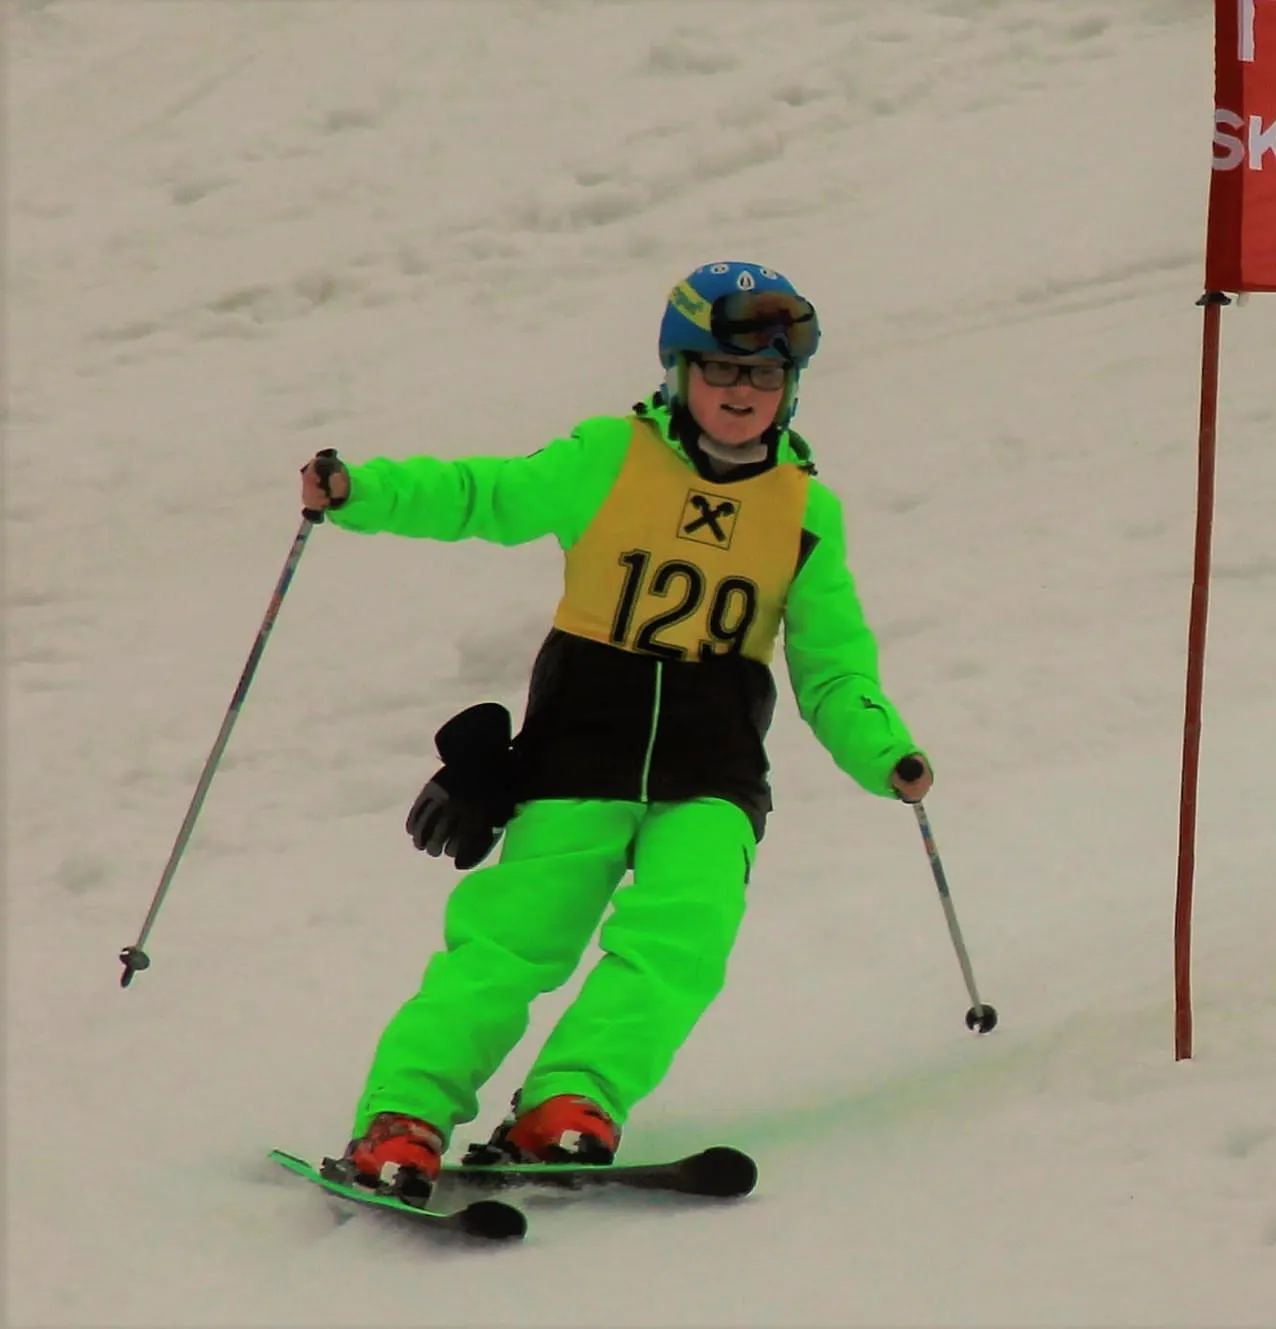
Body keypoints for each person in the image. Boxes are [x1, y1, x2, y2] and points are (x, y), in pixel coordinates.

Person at [299, 261, 933, 1197]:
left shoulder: (806, 511)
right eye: (720, 369)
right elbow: (486, 494)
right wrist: (359, 491)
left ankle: (572, 1099)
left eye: (765, 375)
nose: (742, 392)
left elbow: (832, 665)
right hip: (579, 754)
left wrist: (886, 753)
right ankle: (405, 1114)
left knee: (682, 940)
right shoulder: (611, 457)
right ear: (678, 370)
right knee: (512, 942)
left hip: (713, 771)